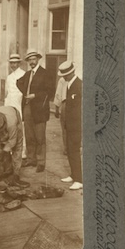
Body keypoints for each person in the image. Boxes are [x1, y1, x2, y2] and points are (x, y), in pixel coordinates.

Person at [16, 48, 55, 173]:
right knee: (29, 135)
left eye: (34, 59)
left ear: (38, 59)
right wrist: (25, 93)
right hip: (27, 107)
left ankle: (40, 162)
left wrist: (35, 95)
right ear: (28, 61)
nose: (32, 62)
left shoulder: (45, 73)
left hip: (40, 109)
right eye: (29, 60)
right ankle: (31, 159)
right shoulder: (27, 74)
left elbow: (50, 91)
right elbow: (18, 82)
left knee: (40, 137)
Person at [58, 61, 82, 190]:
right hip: (70, 124)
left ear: (72, 72)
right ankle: (74, 175)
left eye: (66, 74)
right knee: (70, 150)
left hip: (76, 125)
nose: (63, 77)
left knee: (74, 150)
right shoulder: (69, 85)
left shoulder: (79, 85)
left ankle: (79, 179)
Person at [4, 54, 27, 158]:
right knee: (11, 126)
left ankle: (23, 151)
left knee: (21, 126)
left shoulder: (24, 74)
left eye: (15, 63)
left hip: (20, 103)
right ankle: (12, 148)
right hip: (10, 104)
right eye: (11, 63)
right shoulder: (9, 77)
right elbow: (7, 93)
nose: (13, 65)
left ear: (19, 63)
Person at [53, 74, 68, 156]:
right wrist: (57, 108)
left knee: (65, 128)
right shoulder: (62, 80)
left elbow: (58, 94)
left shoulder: (62, 79)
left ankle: (67, 148)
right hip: (66, 104)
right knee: (66, 127)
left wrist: (56, 108)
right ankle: (67, 148)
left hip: (67, 104)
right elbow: (58, 94)